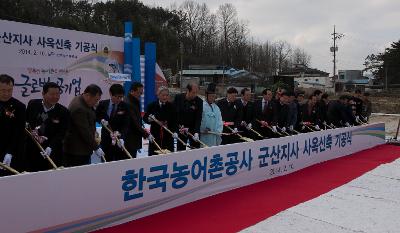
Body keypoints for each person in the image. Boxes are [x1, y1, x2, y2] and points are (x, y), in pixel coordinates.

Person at [25, 82, 69, 171]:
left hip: (51, 152)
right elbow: (27, 123)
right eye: (52, 94)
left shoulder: (63, 111)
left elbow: (62, 133)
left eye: (57, 94)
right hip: (32, 150)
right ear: (43, 94)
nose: (55, 97)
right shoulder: (33, 104)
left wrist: (51, 147)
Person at [63, 84, 103, 167]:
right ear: (88, 95)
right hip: (77, 150)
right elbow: (84, 131)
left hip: (82, 148)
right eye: (96, 100)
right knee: (79, 176)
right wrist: (96, 147)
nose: (97, 103)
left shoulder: (82, 99)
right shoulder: (79, 108)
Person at [0, 74, 25, 176]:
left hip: (10, 152)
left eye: (9, 90)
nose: (6, 93)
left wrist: (10, 152)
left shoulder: (19, 107)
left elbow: (18, 132)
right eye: (3, 90)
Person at [96, 84, 129, 161]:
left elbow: (126, 124)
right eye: (117, 97)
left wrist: (122, 137)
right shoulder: (102, 104)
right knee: (105, 162)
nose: (120, 99)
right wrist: (101, 120)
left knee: (118, 162)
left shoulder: (125, 106)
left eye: (121, 97)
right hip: (105, 139)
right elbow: (96, 116)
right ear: (111, 94)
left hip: (118, 139)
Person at [143, 86, 177, 156]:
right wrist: (149, 119)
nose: (165, 97)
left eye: (167, 95)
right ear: (158, 95)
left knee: (168, 157)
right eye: (163, 95)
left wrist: (175, 131)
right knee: (154, 156)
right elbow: (145, 118)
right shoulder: (151, 106)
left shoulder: (172, 106)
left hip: (168, 136)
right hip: (155, 135)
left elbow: (175, 121)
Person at [174, 82, 203, 150]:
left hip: (192, 129)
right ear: (188, 90)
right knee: (180, 150)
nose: (195, 95)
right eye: (193, 92)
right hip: (181, 128)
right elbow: (174, 115)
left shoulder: (199, 101)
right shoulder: (178, 98)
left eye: (196, 92)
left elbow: (198, 118)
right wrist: (175, 130)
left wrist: (196, 132)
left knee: (195, 149)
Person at [125, 82, 151, 157]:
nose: (141, 95)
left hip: (135, 136)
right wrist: (145, 134)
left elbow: (138, 119)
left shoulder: (135, 101)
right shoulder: (128, 103)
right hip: (130, 138)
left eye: (142, 93)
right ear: (132, 91)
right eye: (139, 93)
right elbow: (134, 122)